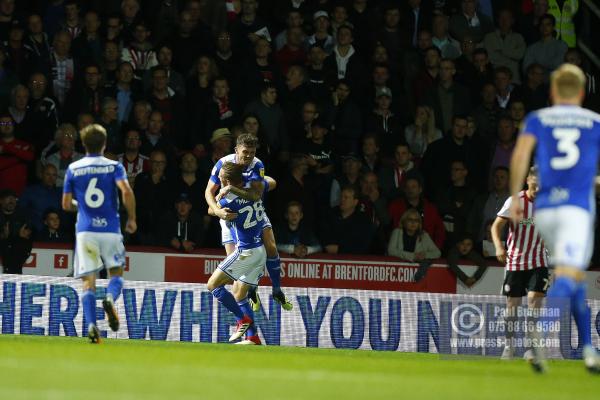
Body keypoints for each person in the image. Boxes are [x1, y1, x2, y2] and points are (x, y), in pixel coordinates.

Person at [509, 63, 600, 372]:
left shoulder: (537, 119)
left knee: (574, 279)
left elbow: (520, 157)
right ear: (582, 92)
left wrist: (515, 201)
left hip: (545, 211)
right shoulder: (594, 122)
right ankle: (539, 335)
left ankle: (589, 349)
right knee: (567, 275)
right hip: (575, 211)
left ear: (551, 92)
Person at [62, 124, 137, 343]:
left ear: (83, 144)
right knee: (116, 274)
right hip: (110, 229)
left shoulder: (73, 168)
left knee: (88, 282)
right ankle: (110, 300)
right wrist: (131, 217)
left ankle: (92, 327)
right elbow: (126, 191)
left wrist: (84, 206)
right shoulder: (114, 166)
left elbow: (66, 204)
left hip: (86, 231)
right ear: (104, 144)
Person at [205, 134, 293, 311]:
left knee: (271, 247)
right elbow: (208, 191)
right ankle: (251, 295)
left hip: (253, 214)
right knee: (235, 271)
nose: (248, 156)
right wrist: (218, 211)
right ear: (236, 150)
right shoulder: (223, 164)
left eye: (252, 152)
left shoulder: (256, 165)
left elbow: (257, 194)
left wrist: (233, 189)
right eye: (245, 152)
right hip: (228, 216)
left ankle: (276, 289)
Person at [491, 166, 549, 361]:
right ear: (528, 180)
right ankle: (508, 346)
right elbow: (496, 226)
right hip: (515, 261)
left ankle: (530, 349)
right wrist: (499, 247)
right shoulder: (516, 201)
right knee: (512, 307)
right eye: (536, 179)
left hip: (539, 260)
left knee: (534, 302)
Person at [206, 161, 265, 345]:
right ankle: (253, 337)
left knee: (213, 285)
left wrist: (218, 210)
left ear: (225, 179)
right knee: (239, 294)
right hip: (259, 251)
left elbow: (210, 209)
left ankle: (243, 320)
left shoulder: (228, 199)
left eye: (221, 175)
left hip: (245, 252)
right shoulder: (253, 194)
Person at [0, 189, 32, 274]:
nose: (11, 200)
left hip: (16, 257)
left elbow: (31, 235)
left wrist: (23, 237)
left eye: (14, 198)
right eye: (8, 198)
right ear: (1, 201)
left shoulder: (23, 216)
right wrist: (2, 237)